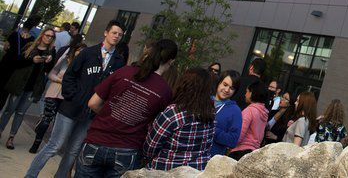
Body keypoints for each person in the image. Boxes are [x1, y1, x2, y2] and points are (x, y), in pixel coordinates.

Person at [25, 19, 125, 178]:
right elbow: (70, 76)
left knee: (72, 151)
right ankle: (30, 175)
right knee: (54, 145)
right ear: (106, 32)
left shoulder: (119, 62)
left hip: (90, 114)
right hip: (70, 108)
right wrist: (72, 96)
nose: (116, 36)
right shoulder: (88, 52)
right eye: (114, 32)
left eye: (120, 35)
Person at [74, 39, 177, 177]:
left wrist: (109, 114)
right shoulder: (165, 91)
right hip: (128, 149)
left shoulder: (125, 72)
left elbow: (93, 103)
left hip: (96, 141)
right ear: (171, 61)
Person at [144, 67, 215, 171]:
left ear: (185, 84)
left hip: (167, 170)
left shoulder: (174, 112)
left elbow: (150, 147)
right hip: (197, 170)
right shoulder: (211, 113)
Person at [0, 27, 56, 149]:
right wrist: (32, 60)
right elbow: (18, 62)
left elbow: (48, 71)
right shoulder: (31, 46)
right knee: (9, 110)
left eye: (52, 36)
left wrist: (49, 62)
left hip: (33, 88)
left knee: (20, 113)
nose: (49, 38)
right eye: (47, 35)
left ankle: (11, 137)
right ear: (42, 35)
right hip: (20, 84)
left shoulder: (51, 52)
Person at [30, 39, 87, 153]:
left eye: (83, 51)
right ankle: (36, 143)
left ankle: (52, 145)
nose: (80, 53)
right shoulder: (65, 61)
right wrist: (61, 80)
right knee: (47, 118)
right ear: (74, 51)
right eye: (79, 50)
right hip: (54, 92)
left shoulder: (83, 67)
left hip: (67, 97)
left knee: (58, 123)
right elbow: (51, 73)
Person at [0, 15, 41, 112]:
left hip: (6, 64)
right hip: (16, 69)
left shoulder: (14, 34)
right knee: (5, 93)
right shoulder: (31, 41)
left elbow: (6, 47)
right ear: (32, 27)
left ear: (24, 25)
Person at [230, 81, 270, 160]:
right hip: (253, 152)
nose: (245, 94)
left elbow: (239, 134)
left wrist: (230, 144)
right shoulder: (264, 112)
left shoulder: (249, 111)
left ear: (252, 93)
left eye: (247, 91)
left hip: (240, 152)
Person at [211, 70, 241, 158]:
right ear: (219, 83)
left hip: (212, 160)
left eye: (232, 88)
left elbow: (233, 140)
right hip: (192, 154)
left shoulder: (235, 111)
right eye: (225, 84)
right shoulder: (205, 100)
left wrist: (212, 129)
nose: (227, 90)